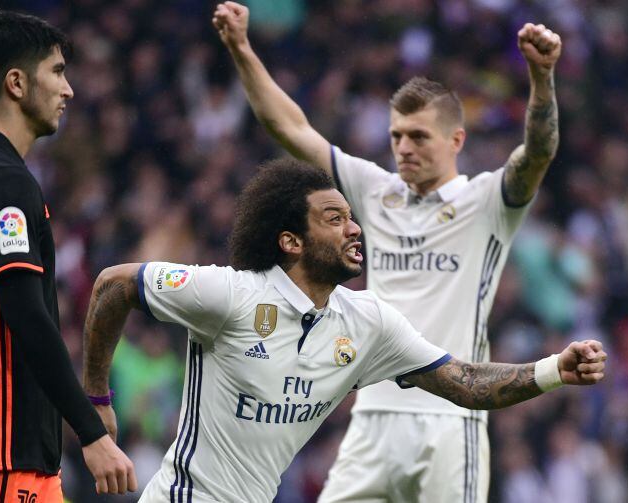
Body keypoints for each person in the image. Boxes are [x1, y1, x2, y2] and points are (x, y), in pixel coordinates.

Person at [81, 159, 605, 503]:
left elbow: (464, 382)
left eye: (352, 217)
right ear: (291, 241)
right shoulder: (232, 296)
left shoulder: (368, 323)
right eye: (334, 218)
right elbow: (112, 286)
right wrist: (97, 398)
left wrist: (551, 370)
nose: (354, 227)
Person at [213, 3, 562, 501]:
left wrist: (542, 78)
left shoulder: (487, 200)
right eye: (396, 135)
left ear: (456, 139)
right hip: (375, 413)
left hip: (451, 416)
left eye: (418, 136)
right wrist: (242, 48)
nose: (403, 148)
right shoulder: (376, 191)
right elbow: (290, 129)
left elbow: (539, 153)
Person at [0, 10, 137, 500]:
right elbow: (26, 315)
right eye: (57, 71)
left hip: (2, 458)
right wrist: (91, 433)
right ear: (16, 83)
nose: (69, 90)